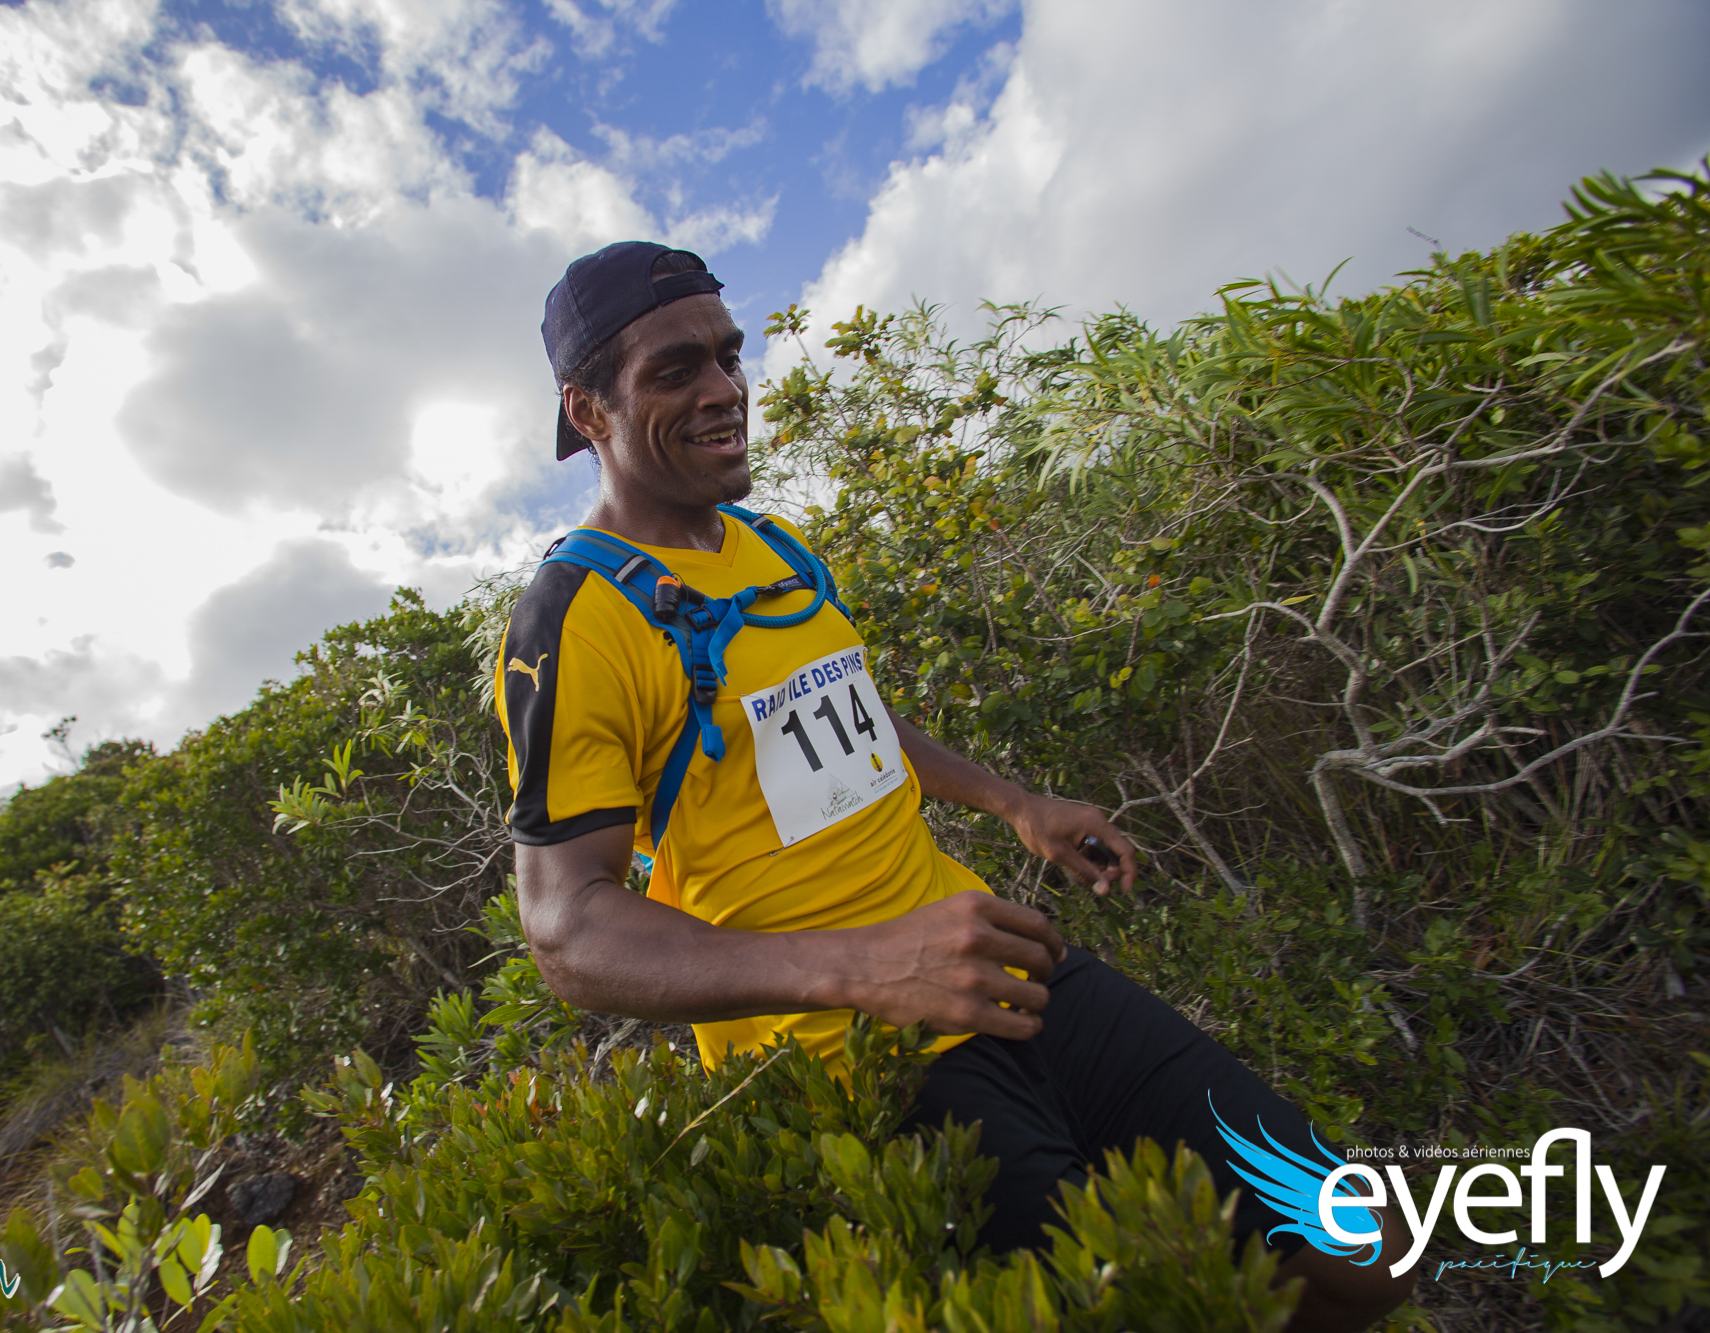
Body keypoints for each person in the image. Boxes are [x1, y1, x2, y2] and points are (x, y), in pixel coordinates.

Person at [495, 241, 1415, 1331]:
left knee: (1362, 1246)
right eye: (673, 370)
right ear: (588, 411)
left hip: (1001, 971)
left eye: (728, 356)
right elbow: (568, 928)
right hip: (857, 1064)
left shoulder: (772, 548)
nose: (722, 389)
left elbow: (850, 712)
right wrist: (866, 967)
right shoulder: (575, 616)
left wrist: (1015, 804)